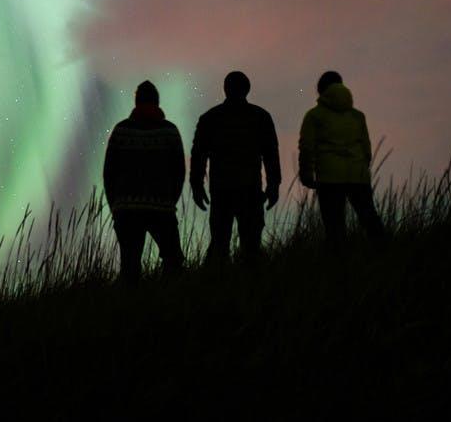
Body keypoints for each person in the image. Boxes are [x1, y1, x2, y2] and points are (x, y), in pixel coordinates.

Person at [189, 71, 281, 263]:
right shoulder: (260, 116)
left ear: (225, 89)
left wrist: (197, 185)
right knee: (251, 245)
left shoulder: (210, 118)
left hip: (222, 190)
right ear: (247, 89)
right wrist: (273, 186)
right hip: (250, 189)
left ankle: (219, 284)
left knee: (220, 243)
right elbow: (271, 155)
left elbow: (198, 155)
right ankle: (249, 285)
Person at [102, 80, 186, 282]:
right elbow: (179, 172)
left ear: (136, 103)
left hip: (127, 209)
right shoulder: (169, 131)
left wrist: (116, 205)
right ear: (157, 102)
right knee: (173, 260)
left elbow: (109, 172)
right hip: (161, 207)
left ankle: (130, 308)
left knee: (130, 266)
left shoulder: (121, 130)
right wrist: (169, 201)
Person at [298, 70, 386, 244]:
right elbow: (366, 149)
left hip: (329, 178)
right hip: (358, 176)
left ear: (321, 90)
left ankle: (339, 264)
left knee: (334, 226)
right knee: (369, 218)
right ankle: (385, 253)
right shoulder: (357, 116)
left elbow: (307, 147)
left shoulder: (314, 115)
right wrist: (361, 168)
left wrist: (306, 174)